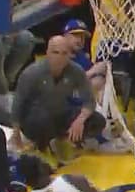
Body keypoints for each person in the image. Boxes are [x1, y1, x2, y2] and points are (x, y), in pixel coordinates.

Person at [10, 35, 100, 166]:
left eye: (64, 53)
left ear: (70, 55)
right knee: (42, 117)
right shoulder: (32, 73)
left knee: (97, 120)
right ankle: (42, 147)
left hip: (59, 113)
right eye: (55, 52)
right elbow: (18, 103)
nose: (60, 57)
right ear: (47, 53)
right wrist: (16, 133)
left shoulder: (76, 71)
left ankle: (62, 140)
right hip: (34, 118)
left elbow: (89, 101)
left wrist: (80, 120)